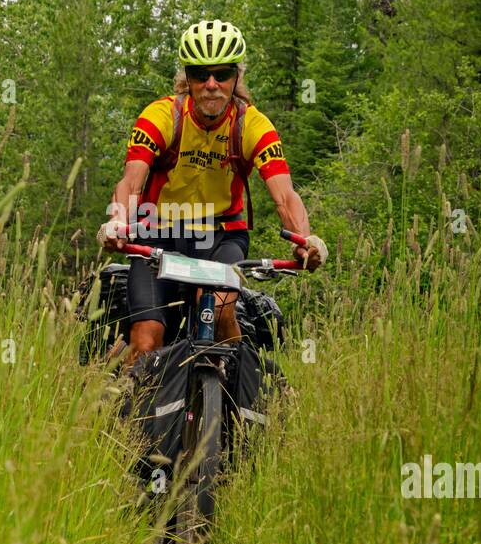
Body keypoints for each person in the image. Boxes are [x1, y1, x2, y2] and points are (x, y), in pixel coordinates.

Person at [97, 19, 327, 370]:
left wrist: (304, 238)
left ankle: (239, 397)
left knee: (219, 311)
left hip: (221, 235)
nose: (211, 85)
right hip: (158, 232)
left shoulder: (252, 125)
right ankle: (126, 416)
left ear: (236, 77)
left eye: (221, 74)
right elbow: (131, 182)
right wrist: (118, 221)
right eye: (201, 74)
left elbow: (284, 195)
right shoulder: (161, 116)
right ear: (186, 78)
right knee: (146, 341)